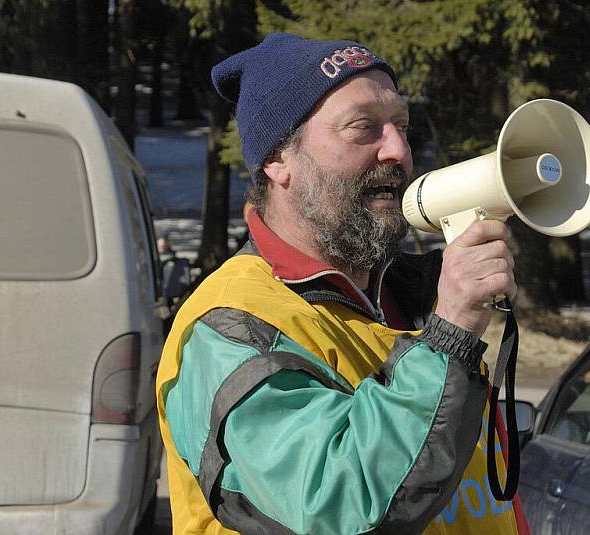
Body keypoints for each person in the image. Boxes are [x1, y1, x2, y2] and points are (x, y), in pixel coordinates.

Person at [156, 32, 528, 535]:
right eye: (363, 127)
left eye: (401, 126)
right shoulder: (230, 327)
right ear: (278, 159)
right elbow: (340, 502)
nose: (397, 150)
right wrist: (452, 330)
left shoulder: (414, 301)